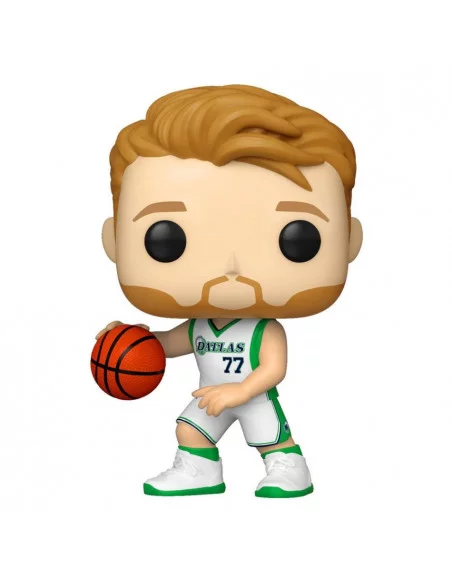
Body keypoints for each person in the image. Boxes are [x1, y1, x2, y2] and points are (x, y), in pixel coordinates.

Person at [97, 84, 363, 498]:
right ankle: (199, 471)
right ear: (114, 241)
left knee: (271, 439)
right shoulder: (200, 326)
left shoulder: (264, 331)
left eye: (297, 239)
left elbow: (274, 369)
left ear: (349, 241)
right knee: (188, 429)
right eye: (167, 239)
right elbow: (166, 344)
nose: (232, 267)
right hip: (211, 397)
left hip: (252, 397)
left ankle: (290, 468)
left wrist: (240, 391)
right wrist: (129, 339)